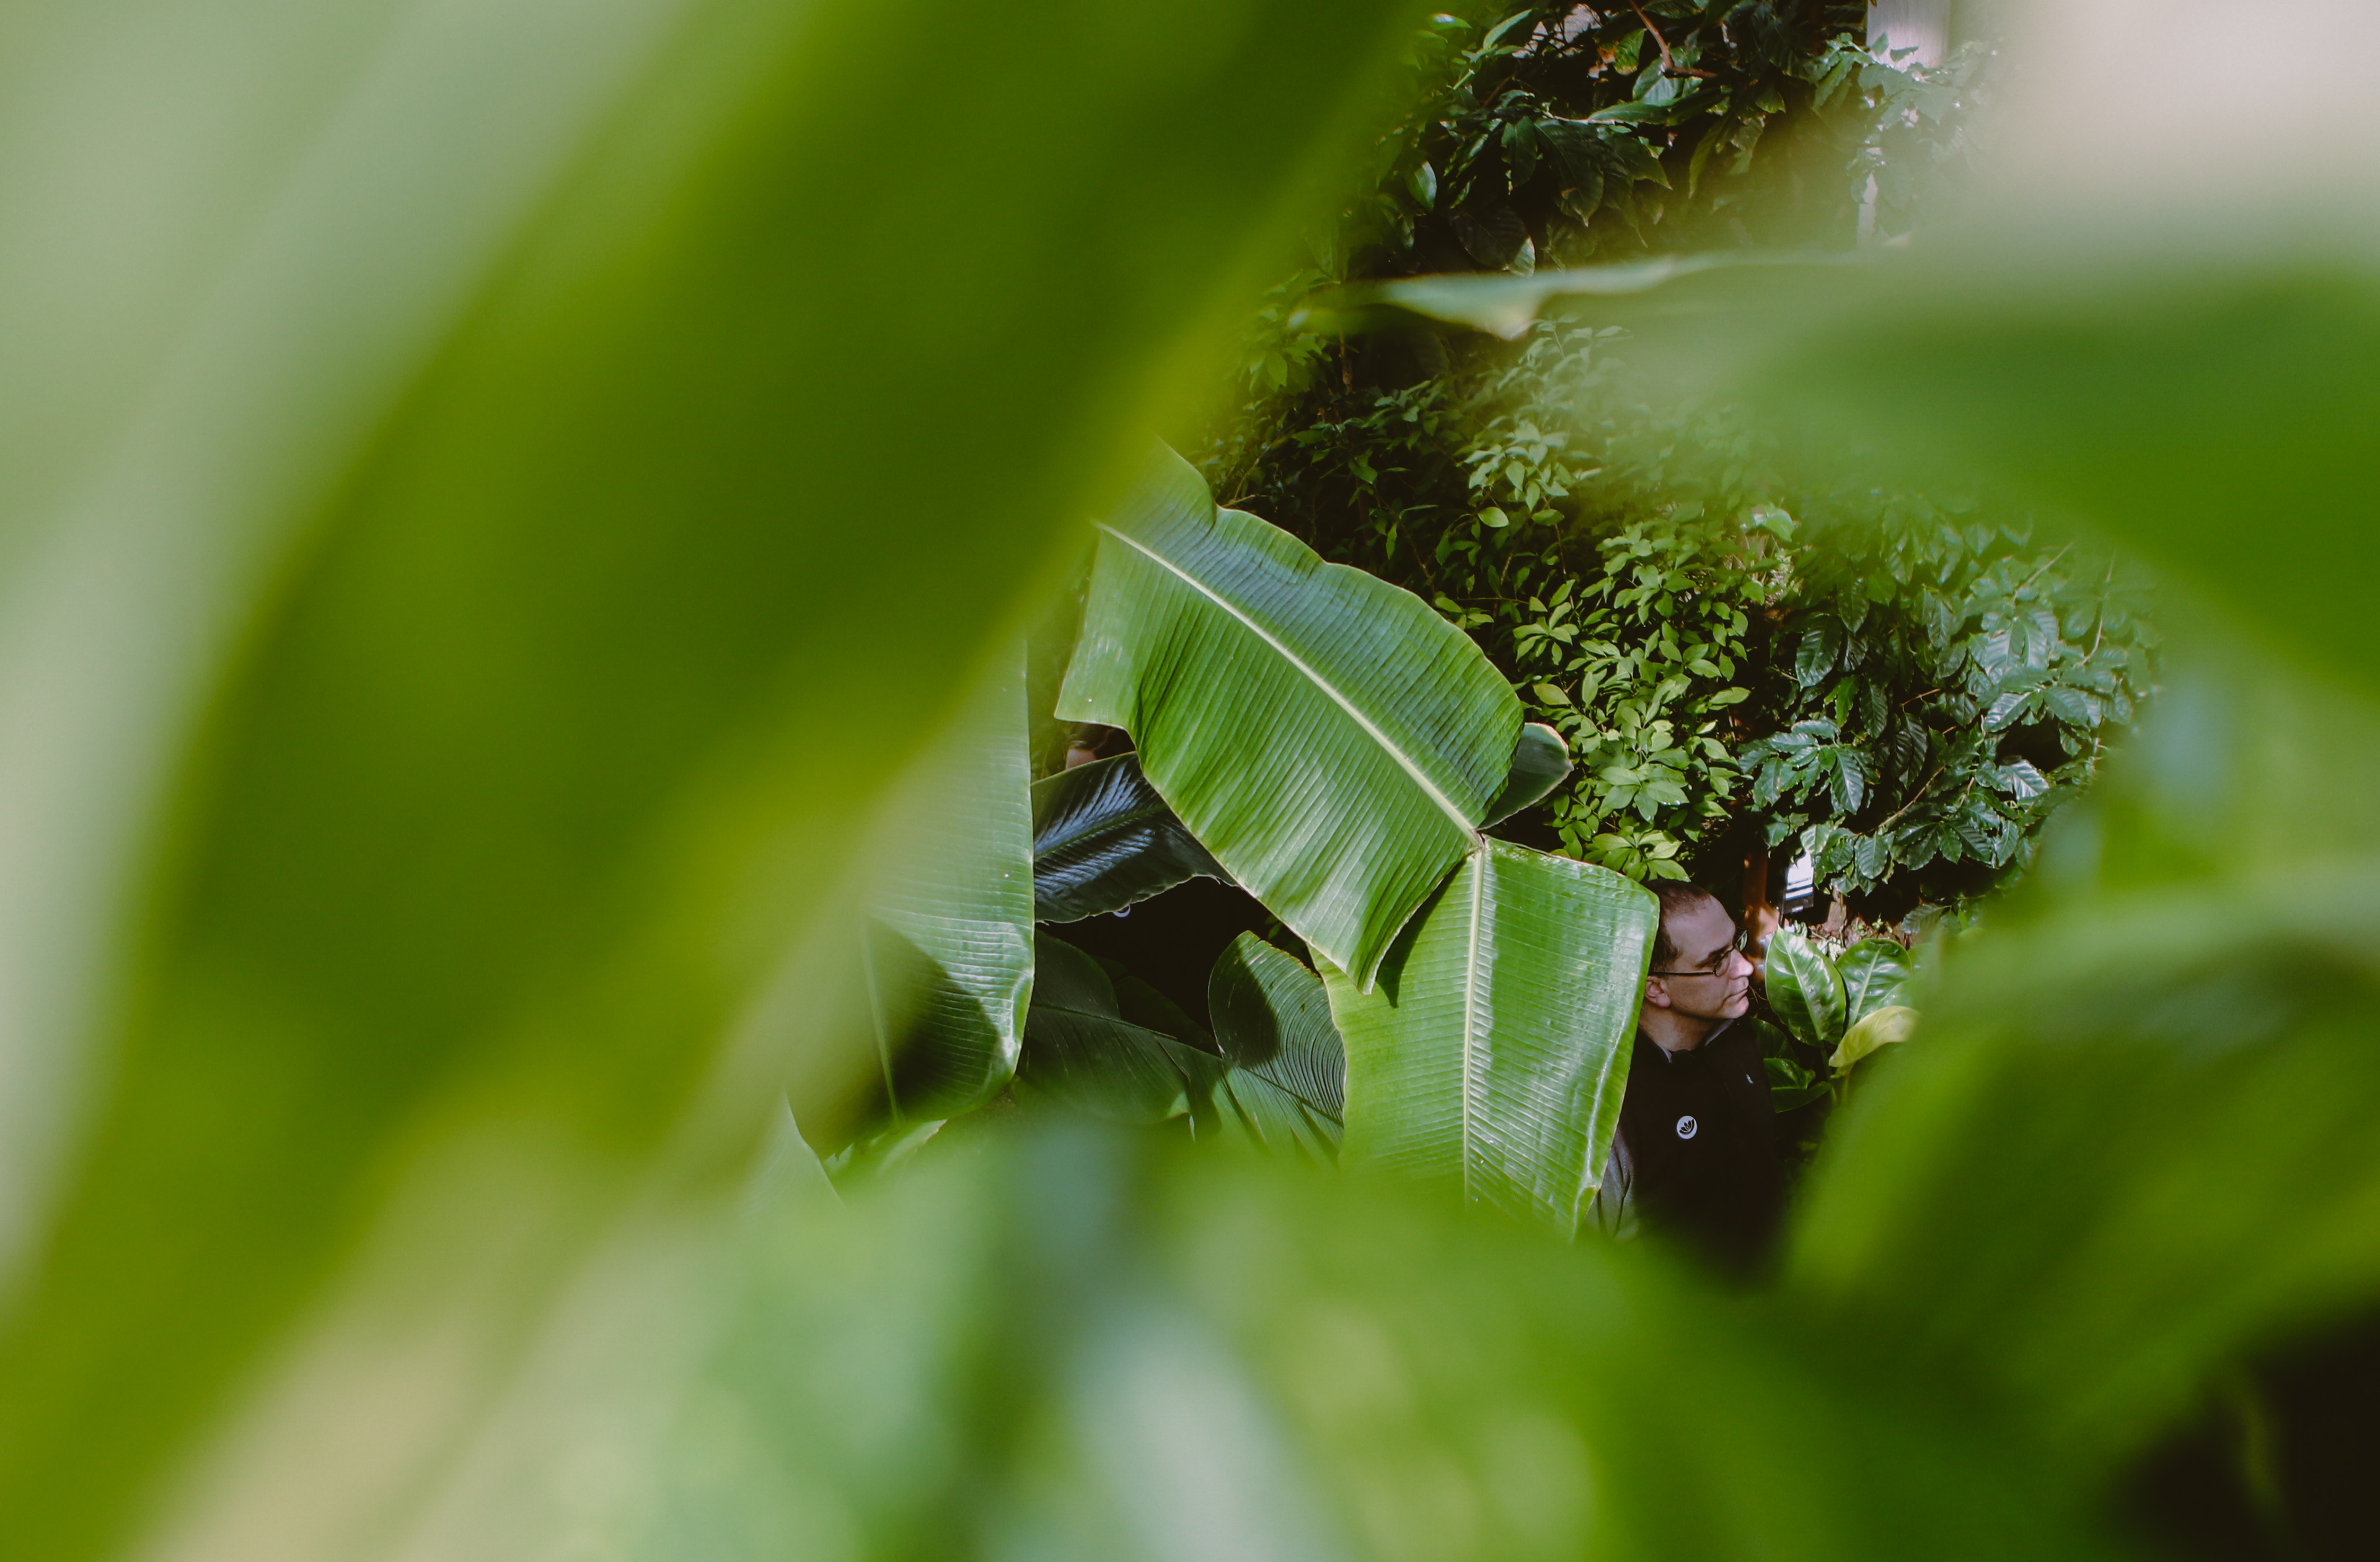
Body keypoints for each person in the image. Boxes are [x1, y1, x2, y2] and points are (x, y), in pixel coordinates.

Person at [1588, 881, 1784, 1270]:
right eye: (1716, 962)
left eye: (1736, 943)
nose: (1745, 966)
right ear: (1657, 989)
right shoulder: (1611, 1111)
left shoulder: (1737, 1037)